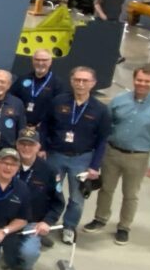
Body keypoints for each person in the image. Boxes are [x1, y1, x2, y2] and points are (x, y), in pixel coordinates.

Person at [84, 66, 150, 245]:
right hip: (112, 152)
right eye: (139, 80)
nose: (142, 84)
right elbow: (105, 127)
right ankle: (100, 218)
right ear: (134, 80)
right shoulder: (118, 100)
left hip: (138, 157)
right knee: (106, 189)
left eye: (147, 81)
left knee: (130, 194)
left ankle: (124, 227)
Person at [44, 66, 110, 244]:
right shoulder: (58, 101)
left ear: (93, 83)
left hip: (81, 159)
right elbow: (45, 126)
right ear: (71, 81)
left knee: (77, 197)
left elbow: (103, 140)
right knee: (49, 191)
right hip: (56, 155)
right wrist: (43, 147)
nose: (81, 84)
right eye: (77, 80)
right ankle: (45, 223)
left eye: (85, 81)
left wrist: (95, 166)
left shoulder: (100, 109)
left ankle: (69, 227)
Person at [4, 128, 65, 270]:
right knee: (5, 259)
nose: (26, 148)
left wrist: (47, 222)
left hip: (33, 221)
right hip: (6, 221)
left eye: (30, 145)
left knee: (29, 253)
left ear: (38, 147)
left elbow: (58, 203)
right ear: (16, 146)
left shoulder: (50, 170)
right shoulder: (6, 166)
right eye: (22, 144)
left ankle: (26, 266)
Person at [11, 49, 66, 132]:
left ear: (50, 61)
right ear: (33, 60)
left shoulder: (57, 83)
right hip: (19, 127)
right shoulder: (22, 79)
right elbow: (12, 101)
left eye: (44, 60)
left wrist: (39, 126)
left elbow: (58, 109)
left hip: (43, 130)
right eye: (37, 60)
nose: (40, 63)